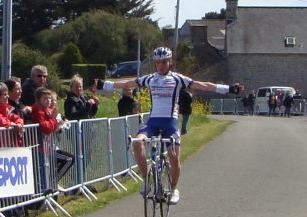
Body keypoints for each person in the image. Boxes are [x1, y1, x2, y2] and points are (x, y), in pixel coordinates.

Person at [95, 46, 242, 205]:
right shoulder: (150, 78)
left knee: (173, 157)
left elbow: (202, 85)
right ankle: (146, 181)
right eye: (158, 62)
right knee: (137, 144)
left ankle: (173, 189)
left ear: (170, 62)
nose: (161, 65)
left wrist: (228, 88)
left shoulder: (178, 79)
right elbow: (127, 83)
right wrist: (105, 84)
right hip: (153, 121)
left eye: (164, 61)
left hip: (170, 123)